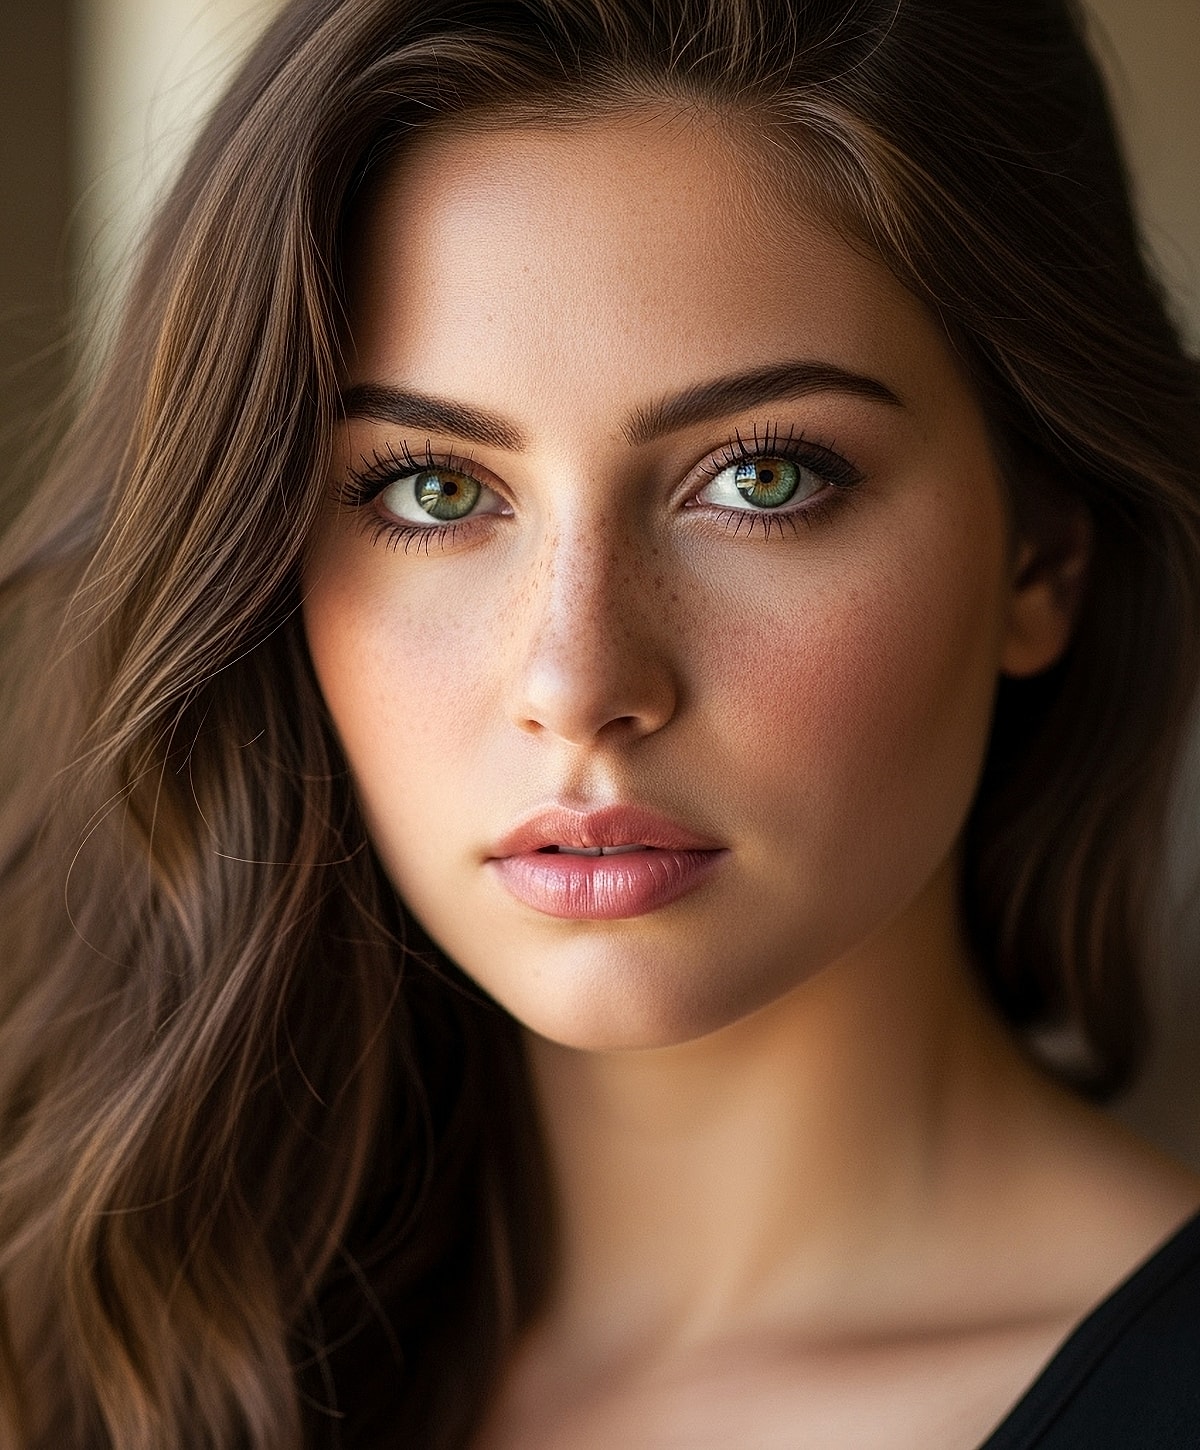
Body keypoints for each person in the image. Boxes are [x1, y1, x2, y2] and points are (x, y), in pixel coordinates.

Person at [1, 0, 1199, 1445]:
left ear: (1041, 558)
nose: (576, 681)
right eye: (434, 490)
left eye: (761, 479)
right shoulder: (98, 1342)